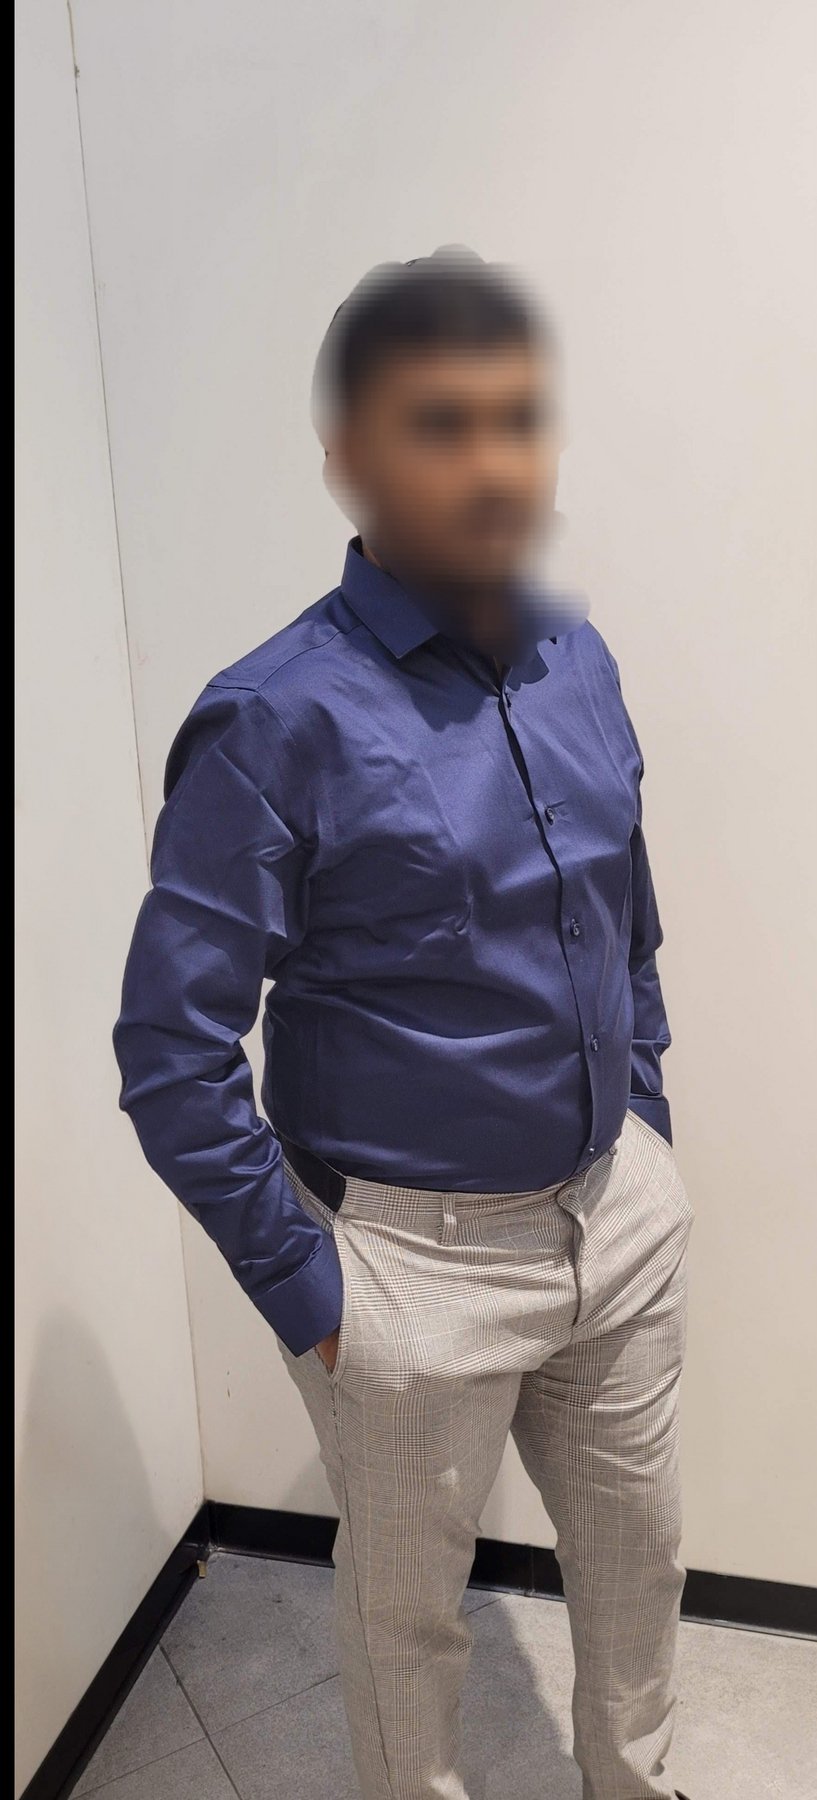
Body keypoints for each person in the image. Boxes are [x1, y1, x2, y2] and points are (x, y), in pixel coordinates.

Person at [113, 246, 694, 1800]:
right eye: (440, 423)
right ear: (350, 456)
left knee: (639, 1574)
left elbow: (622, 909)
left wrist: (640, 1112)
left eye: (518, 419)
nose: (492, 463)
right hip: (406, 1268)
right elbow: (171, 1052)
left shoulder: (578, 659)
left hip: (615, 1222)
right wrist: (313, 1291)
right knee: (407, 1630)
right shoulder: (274, 718)